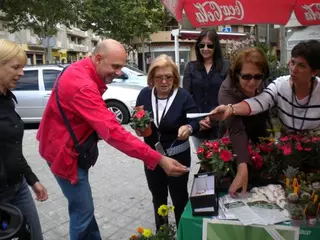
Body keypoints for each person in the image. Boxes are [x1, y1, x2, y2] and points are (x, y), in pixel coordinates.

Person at [37, 39, 188, 240]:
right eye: (115, 66)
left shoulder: (80, 69)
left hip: (63, 146)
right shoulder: (82, 85)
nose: (119, 72)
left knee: (85, 212)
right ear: (98, 59)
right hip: (65, 155)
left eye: (121, 67)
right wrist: (158, 159)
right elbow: (114, 132)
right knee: (82, 214)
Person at [210, 40, 320, 161]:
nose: (294, 69)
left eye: (302, 65)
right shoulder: (280, 85)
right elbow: (260, 102)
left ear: (314, 71)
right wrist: (230, 109)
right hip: (287, 154)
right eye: (293, 62)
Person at [134, 54, 200, 230]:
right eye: (159, 77)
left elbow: (195, 120)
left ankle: (181, 232)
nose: (164, 81)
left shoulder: (183, 96)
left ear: (175, 78)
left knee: (179, 198)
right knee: (158, 197)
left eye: (168, 77)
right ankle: (161, 232)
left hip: (178, 155)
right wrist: (138, 128)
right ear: (152, 78)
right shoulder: (144, 94)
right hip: (152, 156)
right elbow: (138, 117)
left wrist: (189, 128)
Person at [202, 47, 273, 196]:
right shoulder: (226, 89)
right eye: (246, 77)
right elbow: (236, 129)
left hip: (261, 134)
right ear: (236, 74)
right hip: (235, 142)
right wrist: (242, 167)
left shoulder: (265, 83)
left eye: (258, 76)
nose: (253, 82)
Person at [0, 39, 48, 240]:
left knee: (35, 236)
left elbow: (12, 149)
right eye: (16, 67)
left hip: (19, 187)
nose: (21, 73)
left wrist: (32, 180)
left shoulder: (7, 99)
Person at [183, 29, 230, 150]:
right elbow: (186, 97)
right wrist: (199, 121)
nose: (205, 48)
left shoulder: (226, 67)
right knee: (203, 160)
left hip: (220, 125)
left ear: (216, 47)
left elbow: (229, 96)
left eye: (210, 45)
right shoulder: (191, 67)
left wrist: (212, 119)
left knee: (219, 162)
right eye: (201, 45)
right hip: (198, 125)